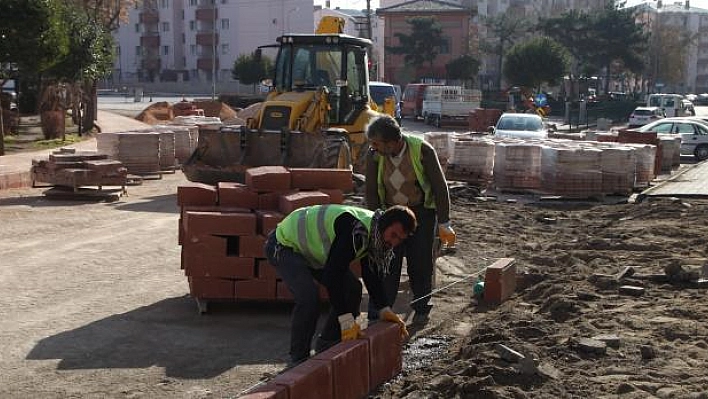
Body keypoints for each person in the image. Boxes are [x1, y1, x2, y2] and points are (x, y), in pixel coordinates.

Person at [264, 203, 417, 366]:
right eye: (393, 235)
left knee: (353, 289)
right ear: (385, 225)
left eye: (399, 239)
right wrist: (346, 320)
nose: (393, 242)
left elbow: (370, 273)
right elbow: (333, 278)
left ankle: (329, 343)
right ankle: (298, 359)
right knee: (309, 298)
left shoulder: (374, 231)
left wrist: (384, 308)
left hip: (311, 252)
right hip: (284, 244)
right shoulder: (355, 231)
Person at [364, 114, 455, 323]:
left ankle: (421, 308)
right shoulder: (374, 156)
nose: (373, 147)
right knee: (386, 263)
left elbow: (440, 188)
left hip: (420, 214)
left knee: (420, 263)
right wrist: (377, 220)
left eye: (377, 143)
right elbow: (370, 190)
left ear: (392, 142)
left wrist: (444, 222)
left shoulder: (422, 151)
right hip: (390, 213)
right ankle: (380, 311)